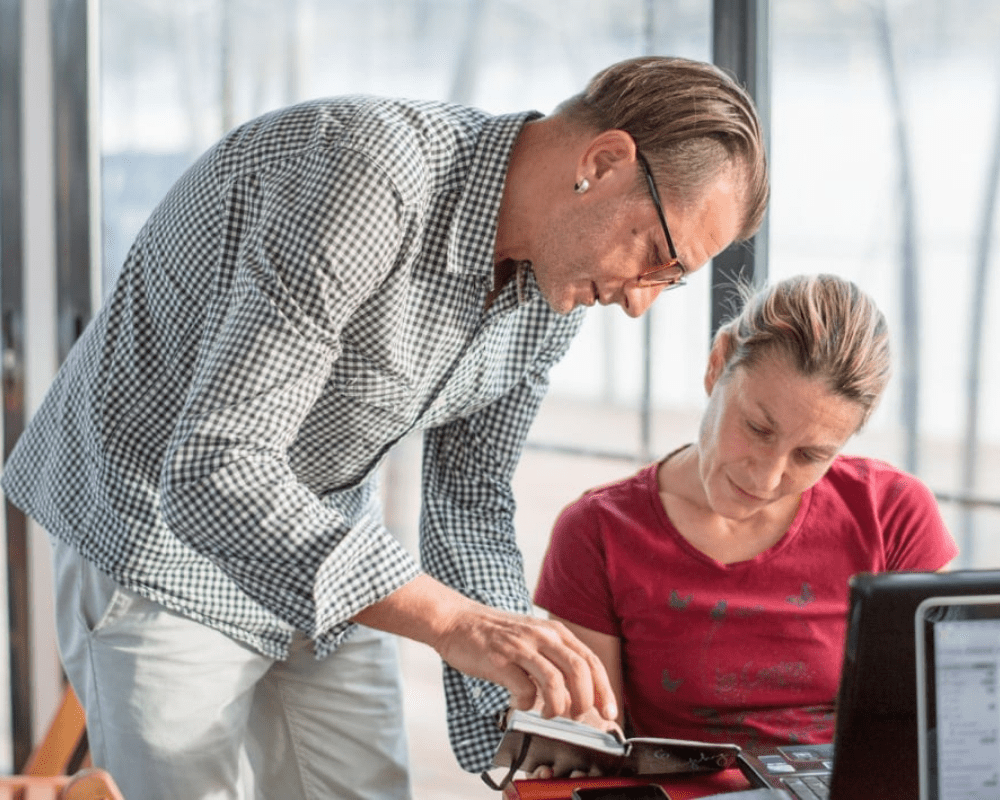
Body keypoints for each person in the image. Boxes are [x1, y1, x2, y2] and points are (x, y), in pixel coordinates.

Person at [1, 56, 767, 799]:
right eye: (655, 257)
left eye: (671, 282)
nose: (639, 302)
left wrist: (518, 703)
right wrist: (453, 621)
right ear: (601, 162)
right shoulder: (367, 176)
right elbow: (216, 467)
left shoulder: (554, 287)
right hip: (160, 538)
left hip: (324, 537)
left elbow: (469, 499)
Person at [534, 274, 958, 756]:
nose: (766, 478)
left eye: (809, 456)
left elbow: (927, 725)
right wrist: (571, 734)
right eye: (757, 428)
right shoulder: (598, 531)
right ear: (717, 365)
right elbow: (593, 738)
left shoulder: (893, 514)